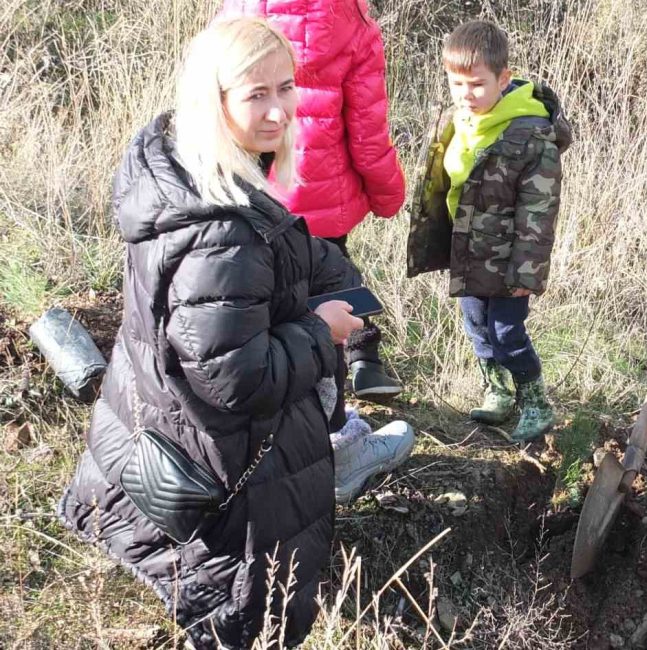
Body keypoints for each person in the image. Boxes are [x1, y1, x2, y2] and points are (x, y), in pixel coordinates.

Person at [58, 19, 411, 648]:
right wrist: (318, 329)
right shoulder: (222, 230)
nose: (279, 111)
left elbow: (252, 277)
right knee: (251, 615)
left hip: (160, 424)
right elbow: (237, 378)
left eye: (286, 87)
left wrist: (325, 272)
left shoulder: (187, 166)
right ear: (214, 99)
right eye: (256, 95)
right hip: (224, 465)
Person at [219, 0, 407, 405]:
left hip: (251, 194)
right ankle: (354, 376)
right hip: (322, 199)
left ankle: (296, 406)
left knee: (266, 304)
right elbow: (368, 134)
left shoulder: (238, 10)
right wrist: (388, 195)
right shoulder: (353, 22)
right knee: (334, 285)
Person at [407, 20, 572, 442]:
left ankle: (535, 401)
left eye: (477, 84)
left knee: (507, 331)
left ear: (503, 77)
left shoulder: (531, 134)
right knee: (476, 325)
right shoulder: (454, 121)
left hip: (508, 258)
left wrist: (526, 273)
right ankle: (498, 392)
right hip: (468, 250)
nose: (466, 94)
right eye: (457, 83)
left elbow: (539, 211)